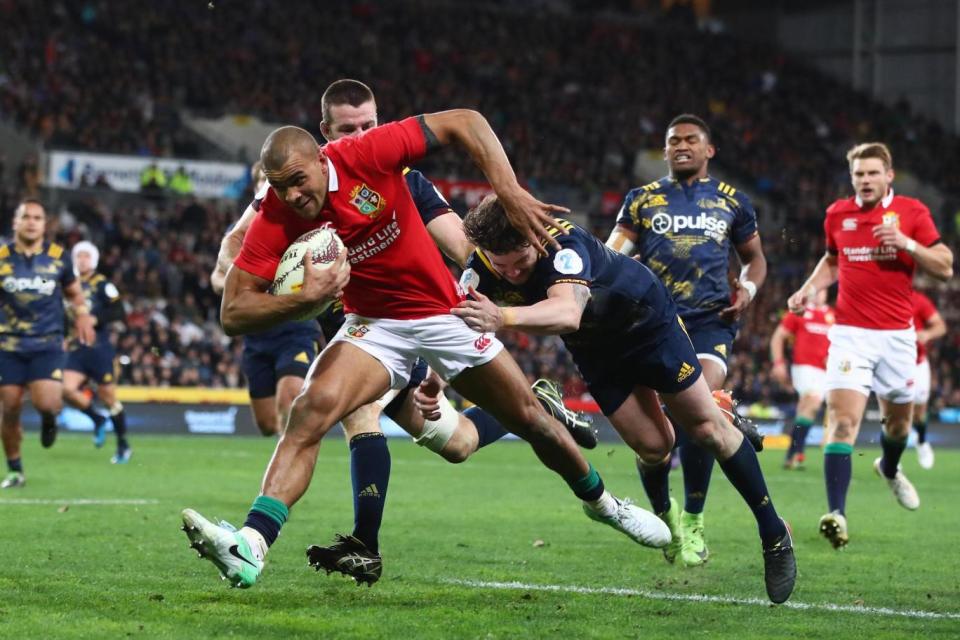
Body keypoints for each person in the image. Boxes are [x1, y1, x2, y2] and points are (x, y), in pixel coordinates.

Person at [181, 109, 669, 591]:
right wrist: (303, 299)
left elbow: (467, 121)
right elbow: (233, 313)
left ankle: (605, 505)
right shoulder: (276, 214)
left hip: (443, 312)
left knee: (530, 422)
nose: (290, 194)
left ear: (321, 157)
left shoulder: (367, 154)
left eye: (296, 180)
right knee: (309, 412)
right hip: (374, 324)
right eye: (278, 184)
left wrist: (509, 192)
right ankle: (251, 544)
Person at [448, 196, 795, 603]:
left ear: (533, 237)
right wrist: (437, 381)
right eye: (500, 264)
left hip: (648, 326)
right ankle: (712, 409)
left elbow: (566, 313)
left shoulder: (564, 246)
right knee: (655, 447)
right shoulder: (478, 271)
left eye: (519, 259)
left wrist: (502, 316)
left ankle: (774, 534)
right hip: (596, 352)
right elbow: (455, 328)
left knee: (706, 431)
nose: (513, 273)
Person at [605, 114, 766, 567]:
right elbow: (615, 248)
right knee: (655, 440)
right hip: (653, 324)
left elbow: (754, 260)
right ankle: (665, 515)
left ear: (708, 150)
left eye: (691, 140)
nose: (681, 146)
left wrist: (749, 290)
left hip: (709, 322)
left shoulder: (733, 201)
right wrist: (598, 273)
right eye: (673, 140)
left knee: (702, 409)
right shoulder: (642, 199)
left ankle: (693, 522)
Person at [787, 142, 953, 549]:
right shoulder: (837, 214)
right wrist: (808, 289)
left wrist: (906, 244)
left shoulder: (913, 212)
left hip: (898, 337)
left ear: (889, 175)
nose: (865, 180)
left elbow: (945, 266)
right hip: (849, 335)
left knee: (897, 426)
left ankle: (890, 467)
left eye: (873, 173)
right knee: (842, 422)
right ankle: (837, 514)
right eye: (859, 174)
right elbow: (831, 260)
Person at [0, 200, 95, 489]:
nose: (31, 222)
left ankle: (49, 420)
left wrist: (82, 316)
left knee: (47, 403)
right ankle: (15, 469)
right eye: (25, 216)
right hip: (8, 345)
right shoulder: (2, 256)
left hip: (47, 343)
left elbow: (75, 294)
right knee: (10, 407)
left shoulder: (59, 257)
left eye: (37, 218)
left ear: (44, 224)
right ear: (15, 222)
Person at [62, 241, 132, 464]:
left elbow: (119, 310)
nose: (82, 260)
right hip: (77, 348)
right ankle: (97, 419)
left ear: (93, 259)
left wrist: (96, 318)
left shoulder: (102, 284)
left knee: (109, 398)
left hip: (99, 348)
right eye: (78, 256)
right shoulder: (69, 286)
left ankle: (123, 444)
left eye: (86, 256)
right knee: (65, 389)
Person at [770, 289, 834, 469]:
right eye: (818, 290)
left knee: (806, 410)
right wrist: (779, 362)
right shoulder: (800, 311)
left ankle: (793, 455)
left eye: (823, 291)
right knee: (812, 401)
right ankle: (795, 453)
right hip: (804, 368)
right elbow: (777, 338)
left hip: (825, 371)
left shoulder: (832, 316)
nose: (821, 294)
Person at [910, 289, 946, 469]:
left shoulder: (918, 300)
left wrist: (927, 334)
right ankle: (891, 457)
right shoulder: (882, 298)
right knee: (892, 412)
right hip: (891, 365)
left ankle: (922, 442)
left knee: (919, 413)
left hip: (917, 363)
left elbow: (940, 326)